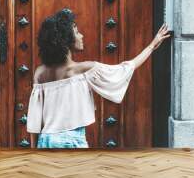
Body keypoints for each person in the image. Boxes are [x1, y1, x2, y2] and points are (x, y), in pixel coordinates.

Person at [27, 9, 170, 148]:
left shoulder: (40, 73)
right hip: (71, 142)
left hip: (45, 141)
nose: (81, 36)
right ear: (67, 40)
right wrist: (152, 46)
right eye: (77, 32)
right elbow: (125, 69)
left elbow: (34, 119)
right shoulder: (83, 69)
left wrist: (34, 152)